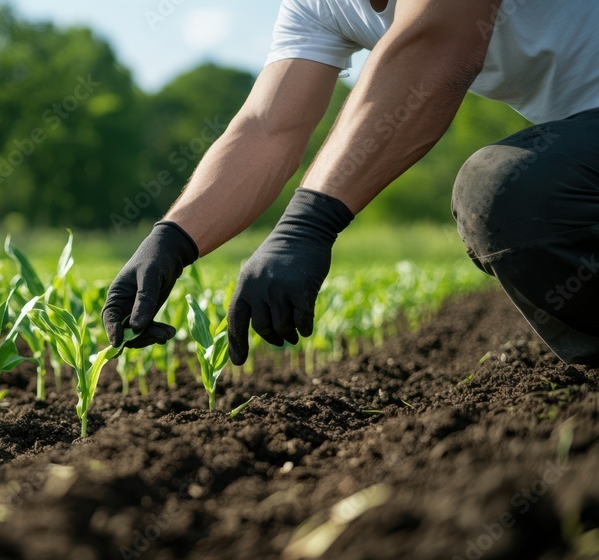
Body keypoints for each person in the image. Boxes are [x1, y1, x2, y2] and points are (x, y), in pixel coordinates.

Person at [102, 0, 599, 367]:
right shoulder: (316, 6)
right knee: (527, 194)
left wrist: (307, 225)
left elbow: (435, 49)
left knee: (508, 192)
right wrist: (172, 239)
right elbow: (268, 128)